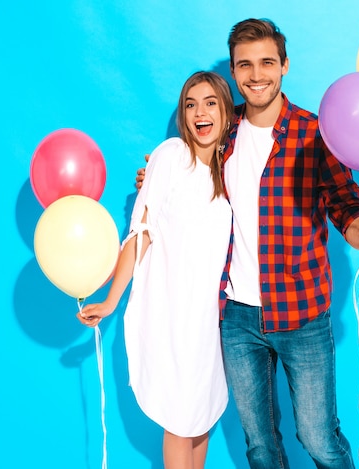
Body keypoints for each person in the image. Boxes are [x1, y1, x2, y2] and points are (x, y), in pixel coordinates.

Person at [137, 19, 359, 469]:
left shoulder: (315, 133)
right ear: (234, 72)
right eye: (245, 65)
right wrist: (154, 176)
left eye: (267, 63)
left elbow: (344, 202)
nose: (257, 75)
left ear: (285, 66)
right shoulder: (223, 130)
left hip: (301, 313)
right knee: (260, 446)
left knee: (318, 438)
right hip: (236, 318)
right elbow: (186, 174)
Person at [78, 71, 235, 469]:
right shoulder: (170, 157)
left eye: (211, 102)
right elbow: (140, 233)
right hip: (173, 316)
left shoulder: (234, 170)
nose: (200, 113)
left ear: (227, 112)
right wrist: (111, 300)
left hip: (215, 323)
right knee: (180, 424)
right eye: (190, 104)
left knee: (200, 421)